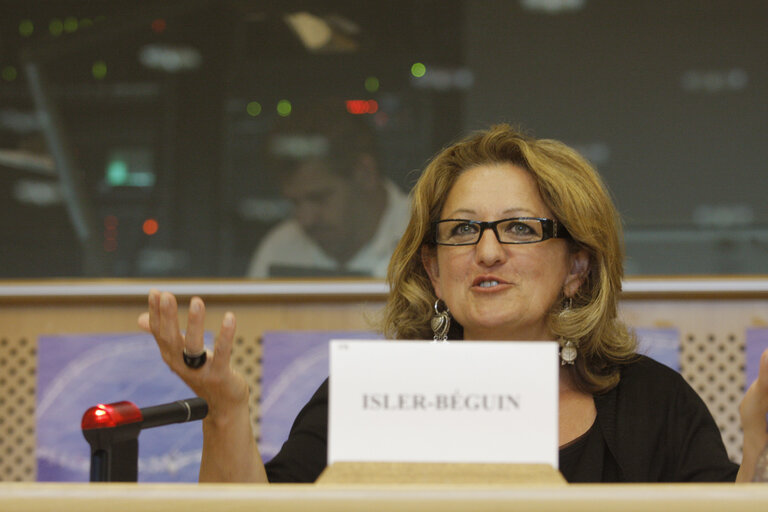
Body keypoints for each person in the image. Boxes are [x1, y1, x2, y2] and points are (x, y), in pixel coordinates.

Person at [139, 124, 768, 483]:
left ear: (577, 265)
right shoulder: (371, 397)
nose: (487, 252)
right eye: (463, 230)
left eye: (519, 228)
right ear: (434, 272)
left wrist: (759, 450)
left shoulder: (655, 404)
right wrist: (225, 413)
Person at [245, 104, 409, 278]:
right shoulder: (279, 249)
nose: (306, 219)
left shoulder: (430, 238)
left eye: (319, 198)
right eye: (294, 202)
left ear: (364, 173)